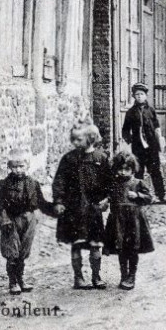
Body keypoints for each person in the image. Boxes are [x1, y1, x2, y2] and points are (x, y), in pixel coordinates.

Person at [52, 123, 111, 290]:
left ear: (91, 139)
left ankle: (96, 276)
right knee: (76, 243)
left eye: (79, 139)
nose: (75, 143)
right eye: (73, 139)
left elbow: (109, 183)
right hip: (73, 209)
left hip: (93, 209)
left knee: (95, 243)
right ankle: (78, 277)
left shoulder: (101, 158)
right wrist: (58, 201)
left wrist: (106, 199)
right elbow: (59, 182)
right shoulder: (69, 159)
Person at [0, 148, 55, 294]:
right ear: (9, 167)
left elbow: (42, 203)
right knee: (12, 252)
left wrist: (56, 209)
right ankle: (12, 282)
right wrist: (4, 221)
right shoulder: (3, 185)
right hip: (11, 221)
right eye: (14, 167)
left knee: (23, 252)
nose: (18, 170)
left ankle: (21, 279)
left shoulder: (33, 183)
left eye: (21, 166)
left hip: (28, 220)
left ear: (27, 166)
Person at [103, 151, 154, 290]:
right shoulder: (113, 184)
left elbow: (150, 198)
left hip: (134, 221)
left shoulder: (138, 183)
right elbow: (109, 197)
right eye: (120, 169)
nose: (123, 172)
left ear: (133, 169)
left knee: (132, 249)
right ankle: (123, 275)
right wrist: (105, 201)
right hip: (118, 221)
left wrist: (137, 195)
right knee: (121, 250)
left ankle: (132, 276)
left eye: (127, 169)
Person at [121, 83, 166, 204]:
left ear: (146, 96)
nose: (139, 97)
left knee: (155, 170)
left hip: (152, 146)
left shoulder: (151, 110)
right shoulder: (130, 112)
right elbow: (125, 129)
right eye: (137, 94)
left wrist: (159, 141)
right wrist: (129, 139)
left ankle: (160, 196)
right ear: (133, 96)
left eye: (142, 94)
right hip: (138, 147)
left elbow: (157, 126)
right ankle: (139, 196)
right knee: (138, 171)